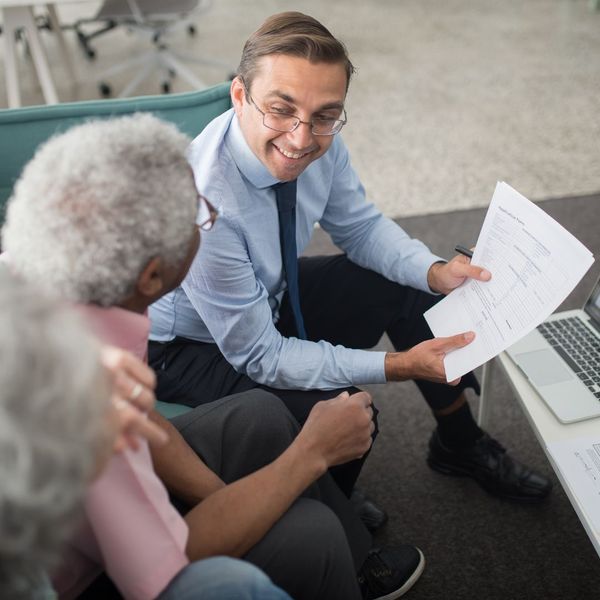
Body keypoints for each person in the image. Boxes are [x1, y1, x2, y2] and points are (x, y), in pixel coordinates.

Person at [2, 114, 422, 600]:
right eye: (200, 213)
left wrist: (241, 502)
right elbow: (172, 560)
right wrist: (311, 456)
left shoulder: (51, 285)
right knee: (311, 532)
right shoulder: (86, 407)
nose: (213, 215)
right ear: (152, 278)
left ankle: (350, 571)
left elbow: (149, 430)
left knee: (261, 415)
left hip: (84, 496)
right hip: (84, 579)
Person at [149, 11, 552, 506]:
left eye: (324, 115)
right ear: (239, 96)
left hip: (266, 296)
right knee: (351, 413)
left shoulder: (321, 139)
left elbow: (360, 228)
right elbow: (261, 355)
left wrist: (434, 272)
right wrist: (398, 365)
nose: (301, 140)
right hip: (187, 346)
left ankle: (459, 442)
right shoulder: (204, 202)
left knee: (407, 282)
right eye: (281, 109)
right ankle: (330, 515)